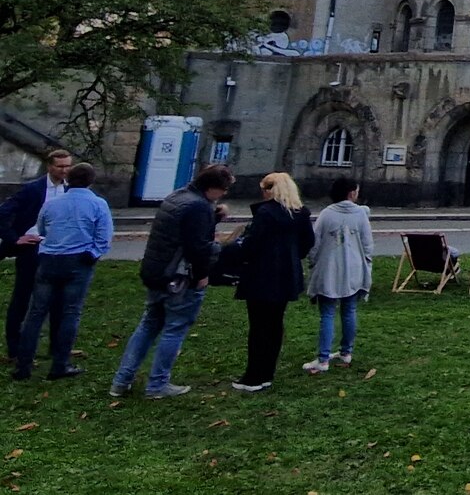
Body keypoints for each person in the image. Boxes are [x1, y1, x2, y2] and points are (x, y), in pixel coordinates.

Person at [110, 163, 234, 399]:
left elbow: (182, 230)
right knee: (174, 328)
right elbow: (197, 247)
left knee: (148, 325)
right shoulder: (198, 207)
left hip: (157, 271)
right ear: (213, 188)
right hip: (179, 278)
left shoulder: (178, 197)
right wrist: (203, 273)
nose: (224, 195)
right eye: (223, 190)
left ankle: (121, 380)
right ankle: (157, 384)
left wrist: (214, 215)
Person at [12, 162, 112, 381]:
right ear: (91, 181)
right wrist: (94, 252)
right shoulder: (98, 204)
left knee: (36, 313)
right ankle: (60, 364)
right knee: (71, 312)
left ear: (68, 179)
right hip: (79, 260)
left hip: (49, 259)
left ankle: (23, 365)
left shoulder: (53, 204)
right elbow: (104, 236)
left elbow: (43, 227)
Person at [232, 172, 315, 392]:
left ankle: (253, 376)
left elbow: (253, 244)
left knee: (259, 325)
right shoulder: (300, 213)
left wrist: (238, 255)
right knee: (275, 324)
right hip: (286, 274)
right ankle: (267, 372)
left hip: (261, 273)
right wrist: (293, 257)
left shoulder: (266, 213)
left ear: (270, 190)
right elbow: (308, 241)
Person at [0, 147, 72, 360]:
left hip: (58, 250)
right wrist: (15, 238)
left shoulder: (71, 189)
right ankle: (15, 348)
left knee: (59, 300)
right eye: (60, 167)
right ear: (50, 167)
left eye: (68, 166)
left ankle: (56, 347)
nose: (64, 171)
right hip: (32, 248)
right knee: (22, 298)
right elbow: (4, 212)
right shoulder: (33, 189)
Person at [301, 176, 372, 374]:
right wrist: (366, 264)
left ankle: (323, 358)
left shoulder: (327, 214)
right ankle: (346, 351)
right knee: (349, 310)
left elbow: (314, 243)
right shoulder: (360, 214)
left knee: (328, 313)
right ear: (351, 193)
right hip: (354, 268)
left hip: (329, 268)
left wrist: (313, 263)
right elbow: (367, 244)